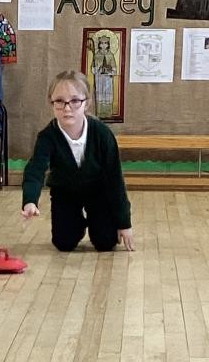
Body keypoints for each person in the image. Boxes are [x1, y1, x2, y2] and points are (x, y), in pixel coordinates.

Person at [21, 70, 134, 252]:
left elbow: (115, 180)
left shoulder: (102, 134)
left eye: (74, 101)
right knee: (64, 243)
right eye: (60, 101)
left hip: (98, 191)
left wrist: (124, 223)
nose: (67, 108)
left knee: (106, 242)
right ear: (52, 103)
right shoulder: (47, 136)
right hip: (65, 191)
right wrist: (30, 201)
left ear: (86, 103)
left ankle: (98, 220)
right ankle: (76, 223)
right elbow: (35, 170)